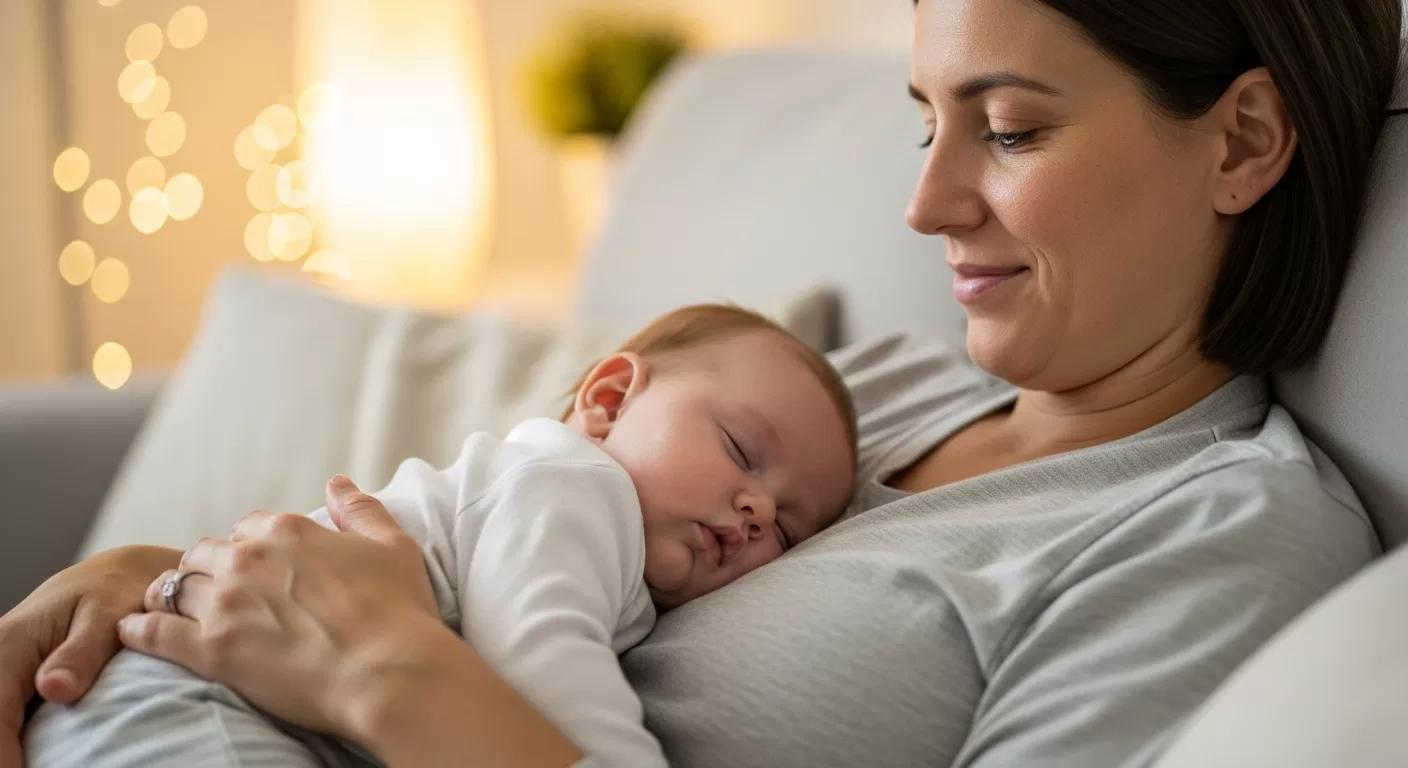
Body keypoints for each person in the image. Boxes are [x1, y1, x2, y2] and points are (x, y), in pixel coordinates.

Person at [3, 0, 1403, 765]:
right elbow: (463, 522)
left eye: (1012, 130)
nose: (924, 205)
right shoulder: (876, 389)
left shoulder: (1226, 535)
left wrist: (386, 677)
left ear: (1243, 141)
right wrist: (149, 584)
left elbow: (403, 633)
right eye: (924, 122)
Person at [23, 304, 858, 767]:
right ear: (606, 403)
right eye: (743, 453)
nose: (756, 512)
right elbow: (542, 654)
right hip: (189, 710)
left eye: (789, 526)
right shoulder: (571, 487)